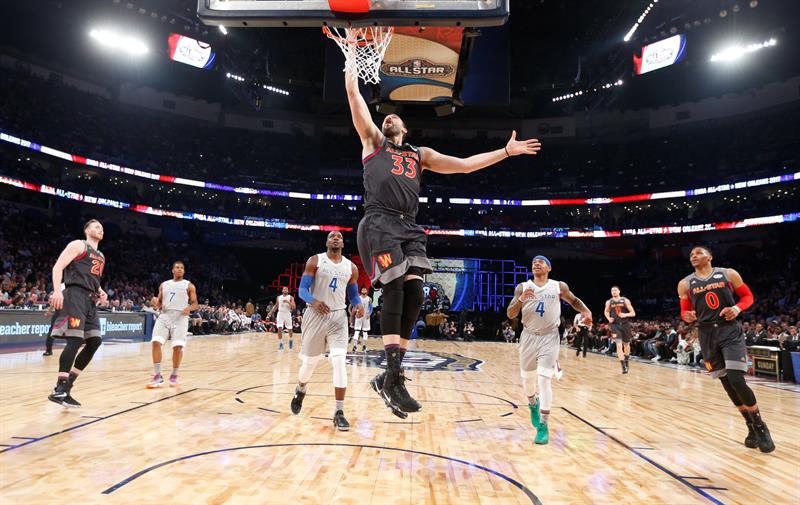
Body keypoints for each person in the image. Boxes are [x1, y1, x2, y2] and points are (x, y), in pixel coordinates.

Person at [344, 52, 542, 416]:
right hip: (379, 223)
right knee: (394, 288)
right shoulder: (373, 142)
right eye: (385, 116)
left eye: (395, 117)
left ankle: (389, 377)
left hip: (409, 226)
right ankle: (393, 377)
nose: (389, 117)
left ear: (404, 129)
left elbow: (465, 166)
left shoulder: (420, 154)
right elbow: (354, 97)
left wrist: (506, 152)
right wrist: (351, 57)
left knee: (415, 293)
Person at [677, 246, 774, 453]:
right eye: (691, 254)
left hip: (729, 330)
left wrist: (737, 308)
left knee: (736, 378)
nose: (693, 256)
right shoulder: (685, 283)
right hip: (706, 334)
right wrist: (687, 316)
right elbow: (684, 311)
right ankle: (749, 425)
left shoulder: (728, 274)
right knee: (727, 384)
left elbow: (748, 297)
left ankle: (760, 425)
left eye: (698, 253)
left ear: (710, 257)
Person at [507, 255, 592, 445]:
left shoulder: (558, 286)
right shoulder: (523, 287)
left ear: (549, 268)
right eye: (534, 262)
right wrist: (520, 300)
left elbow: (574, 301)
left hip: (550, 337)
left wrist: (586, 311)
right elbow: (511, 313)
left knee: (544, 379)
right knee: (528, 380)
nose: (536, 263)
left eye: (541, 262)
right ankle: (532, 404)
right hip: (528, 336)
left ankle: (543, 426)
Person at [290, 231, 363, 431]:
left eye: (339, 236)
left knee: (339, 361)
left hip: (338, 317)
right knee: (309, 364)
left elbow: (353, 294)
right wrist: (314, 302)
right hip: (315, 315)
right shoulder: (315, 261)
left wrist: (357, 304)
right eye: (332, 236)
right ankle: (301, 389)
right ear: (327, 241)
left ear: (343, 243)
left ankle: (339, 412)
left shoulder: (351, 267)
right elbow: (302, 290)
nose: (336, 238)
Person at [47, 219, 108, 408]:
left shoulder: (101, 255)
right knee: (75, 339)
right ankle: (59, 388)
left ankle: (67, 386)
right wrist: (57, 291)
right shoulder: (79, 245)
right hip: (75, 295)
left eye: (102, 228)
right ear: (87, 230)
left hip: (90, 300)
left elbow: (92, 277)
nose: (100, 229)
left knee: (95, 341)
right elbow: (58, 267)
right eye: (96, 226)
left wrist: (101, 291)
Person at [147, 261, 198, 388]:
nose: (179, 269)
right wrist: (155, 303)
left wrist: (189, 308)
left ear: (184, 271)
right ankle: (157, 376)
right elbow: (159, 303)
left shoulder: (189, 285)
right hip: (165, 315)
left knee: (177, 347)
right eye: (177, 267)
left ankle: (174, 374)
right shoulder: (164, 285)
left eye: (182, 268)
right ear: (172, 270)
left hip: (180, 316)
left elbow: (195, 303)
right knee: (156, 342)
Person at [604, 286, 636, 374]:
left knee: (626, 344)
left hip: (625, 325)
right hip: (615, 325)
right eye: (612, 291)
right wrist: (608, 318)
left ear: (619, 291)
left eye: (615, 290)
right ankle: (623, 366)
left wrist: (625, 315)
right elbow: (606, 311)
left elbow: (633, 313)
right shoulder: (609, 302)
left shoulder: (625, 300)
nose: (613, 292)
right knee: (618, 345)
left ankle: (626, 360)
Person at [352, 286, 373, 353]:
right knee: (357, 330)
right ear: (361, 291)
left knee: (365, 331)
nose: (364, 291)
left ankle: (364, 346)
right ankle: (355, 346)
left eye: (365, 289)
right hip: (359, 315)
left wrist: (369, 314)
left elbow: (371, 307)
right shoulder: (358, 298)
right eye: (363, 289)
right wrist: (356, 312)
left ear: (367, 291)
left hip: (366, 315)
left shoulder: (369, 299)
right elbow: (355, 307)